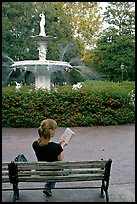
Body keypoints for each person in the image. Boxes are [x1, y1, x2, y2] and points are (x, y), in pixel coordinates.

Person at [32, 119, 67, 196]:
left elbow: (48, 149)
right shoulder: (56, 147)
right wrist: (62, 147)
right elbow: (60, 160)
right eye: (55, 130)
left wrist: (59, 146)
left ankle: (48, 187)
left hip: (41, 171)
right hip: (54, 171)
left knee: (54, 169)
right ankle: (48, 187)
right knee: (66, 169)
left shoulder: (35, 144)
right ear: (51, 131)